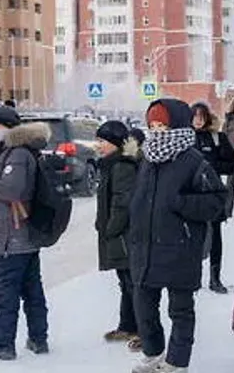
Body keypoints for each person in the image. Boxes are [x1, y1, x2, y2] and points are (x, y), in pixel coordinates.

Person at [129, 99, 228, 373]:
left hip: (180, 246)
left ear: (178, 125)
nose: (158, 131)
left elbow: (217, 199)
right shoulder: (147, 158)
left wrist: (181, 204)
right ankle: (153, 353)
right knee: (144, 306)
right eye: (153, 125)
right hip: (146, 246)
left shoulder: (193, 160)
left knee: (180, 309)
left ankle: (177, 361)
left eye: (163, 125)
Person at [0, 107, 51, 360]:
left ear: (6, 127)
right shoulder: (19, 150)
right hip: (23, 232)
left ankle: (3, 344)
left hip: (14, 233)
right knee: (32, 289)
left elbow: (12, 190)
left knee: (7, 292)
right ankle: (38, 338)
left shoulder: (17, 153)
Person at [94, 121, 141, 347]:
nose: (98, 145)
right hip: (118, 235)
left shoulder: (122, 166)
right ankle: (127, 326)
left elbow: (122, 204)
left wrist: (110, 229)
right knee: (125, 282)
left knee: (134, 284)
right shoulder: (111, 164)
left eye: (102, 141)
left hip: (124, 235)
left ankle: (143, 331)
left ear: (115, 143)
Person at [191, 102, 234, 294]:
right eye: (194, 116)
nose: (198, 120)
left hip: (212, 194)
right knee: (192, 236)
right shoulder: (183, 138)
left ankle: (215, 278)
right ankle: (193, 276)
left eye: (201, 117)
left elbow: (232, 162)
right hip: (191, 194)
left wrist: (211, 168)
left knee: (215, 237)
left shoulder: (217, 138)